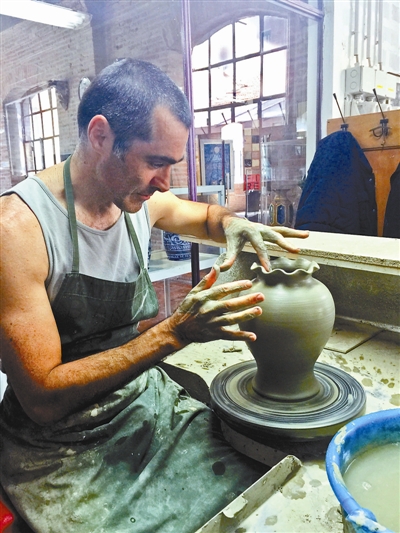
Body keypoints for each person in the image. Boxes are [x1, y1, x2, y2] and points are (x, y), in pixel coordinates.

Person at [0, 58, 308, 533]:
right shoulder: (18, 231)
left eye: (171, 165)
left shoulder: (140, 201)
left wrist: (234, 224)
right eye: (155, 162)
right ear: (100, 135)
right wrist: (175, 332)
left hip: (139, 400)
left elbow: (205, 217)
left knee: (259, 485)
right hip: (57, 444)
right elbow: (42, 398)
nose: (165, 182)